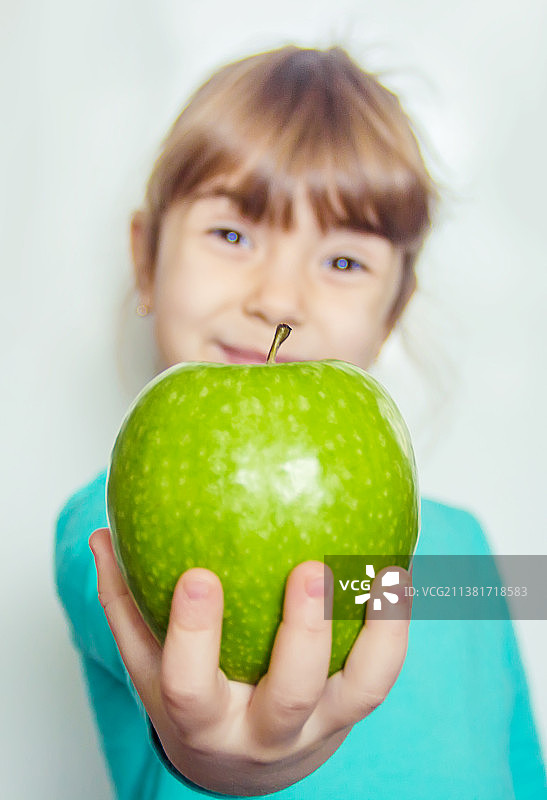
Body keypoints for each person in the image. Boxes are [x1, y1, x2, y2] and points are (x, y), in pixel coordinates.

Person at [54, 45, 546, 799]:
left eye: (344, 262)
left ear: (391, 314)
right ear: (145, 259)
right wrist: (244, 761)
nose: (279, 299)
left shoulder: (465, 550)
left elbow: (517, 758)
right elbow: (179, 685)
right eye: (232, 235)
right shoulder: (108, 531)